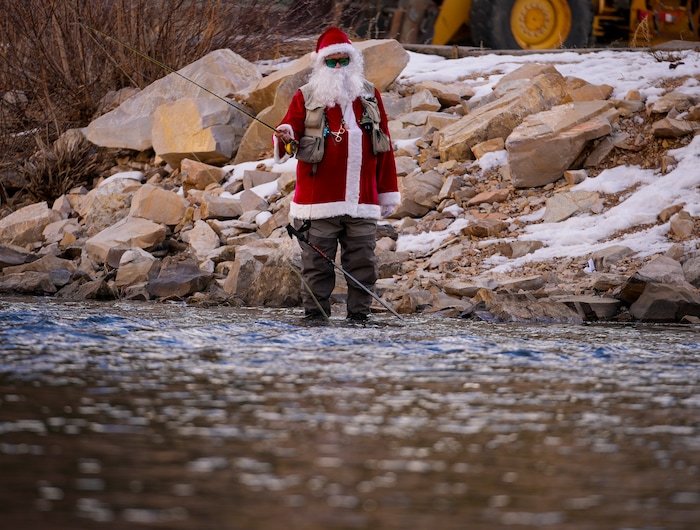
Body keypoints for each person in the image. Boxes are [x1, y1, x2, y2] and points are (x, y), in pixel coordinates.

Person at [274, 26, 400, 321]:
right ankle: (315, 324)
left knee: (364, 265)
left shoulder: (369, 94)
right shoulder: (304, 96)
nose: (339, 67)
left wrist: (387, 192)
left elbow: (385, 147)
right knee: (317, 267)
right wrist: (285, 134)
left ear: (353, 61)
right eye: (333, 62)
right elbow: (289, 128)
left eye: (344, 61)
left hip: (363, 202)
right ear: (321, 64)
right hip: (317, 205)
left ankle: (360, 322)